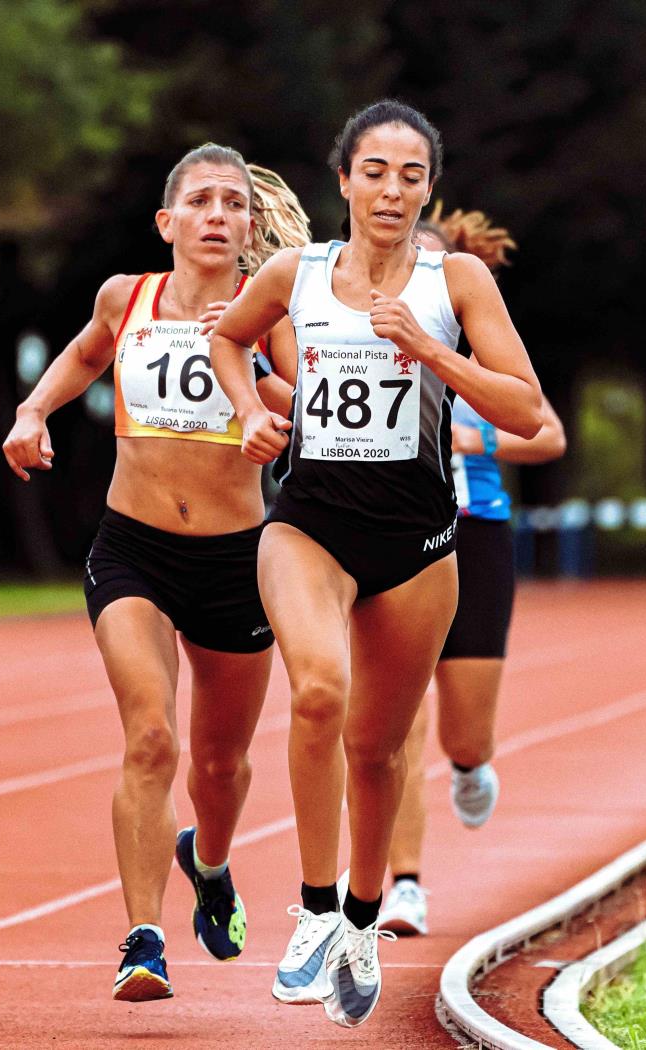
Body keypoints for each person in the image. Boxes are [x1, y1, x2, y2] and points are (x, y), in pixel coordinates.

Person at [210, 100, 544, 1028]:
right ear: (345, 179)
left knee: (378, 746)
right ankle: (316, 911)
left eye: (410, 174)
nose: (391, 190)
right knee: (318, 691)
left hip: (417, 542)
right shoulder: (296, 272)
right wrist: (249, 413)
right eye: (375, 172)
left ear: (428, 186)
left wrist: (431, 350)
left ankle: (363, 914)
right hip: (308, 524)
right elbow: (228, 338)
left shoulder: (457, 279)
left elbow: (524, 410)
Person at [1, 145, 309, 1003]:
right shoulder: (125, 296)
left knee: (220, 764)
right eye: (200, 200)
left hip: (236, 561)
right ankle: (142, 939)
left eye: (234, 202)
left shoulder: (270, 312)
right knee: (150, 739)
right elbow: (85, 357)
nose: (218, 213)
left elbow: (305, 399)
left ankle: (208, 862)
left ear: (251, 227)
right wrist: (32, 412)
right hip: (132, 547)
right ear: (168, 223)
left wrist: (266, 403)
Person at [378, 209, 567, 937]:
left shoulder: (479, 345)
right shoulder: (366, 333)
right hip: (392, 534)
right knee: (395, 723)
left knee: (462, 737)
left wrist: (472, 432)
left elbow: (547, 433)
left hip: (476, 533)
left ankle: (469, 766)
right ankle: (404, 885)